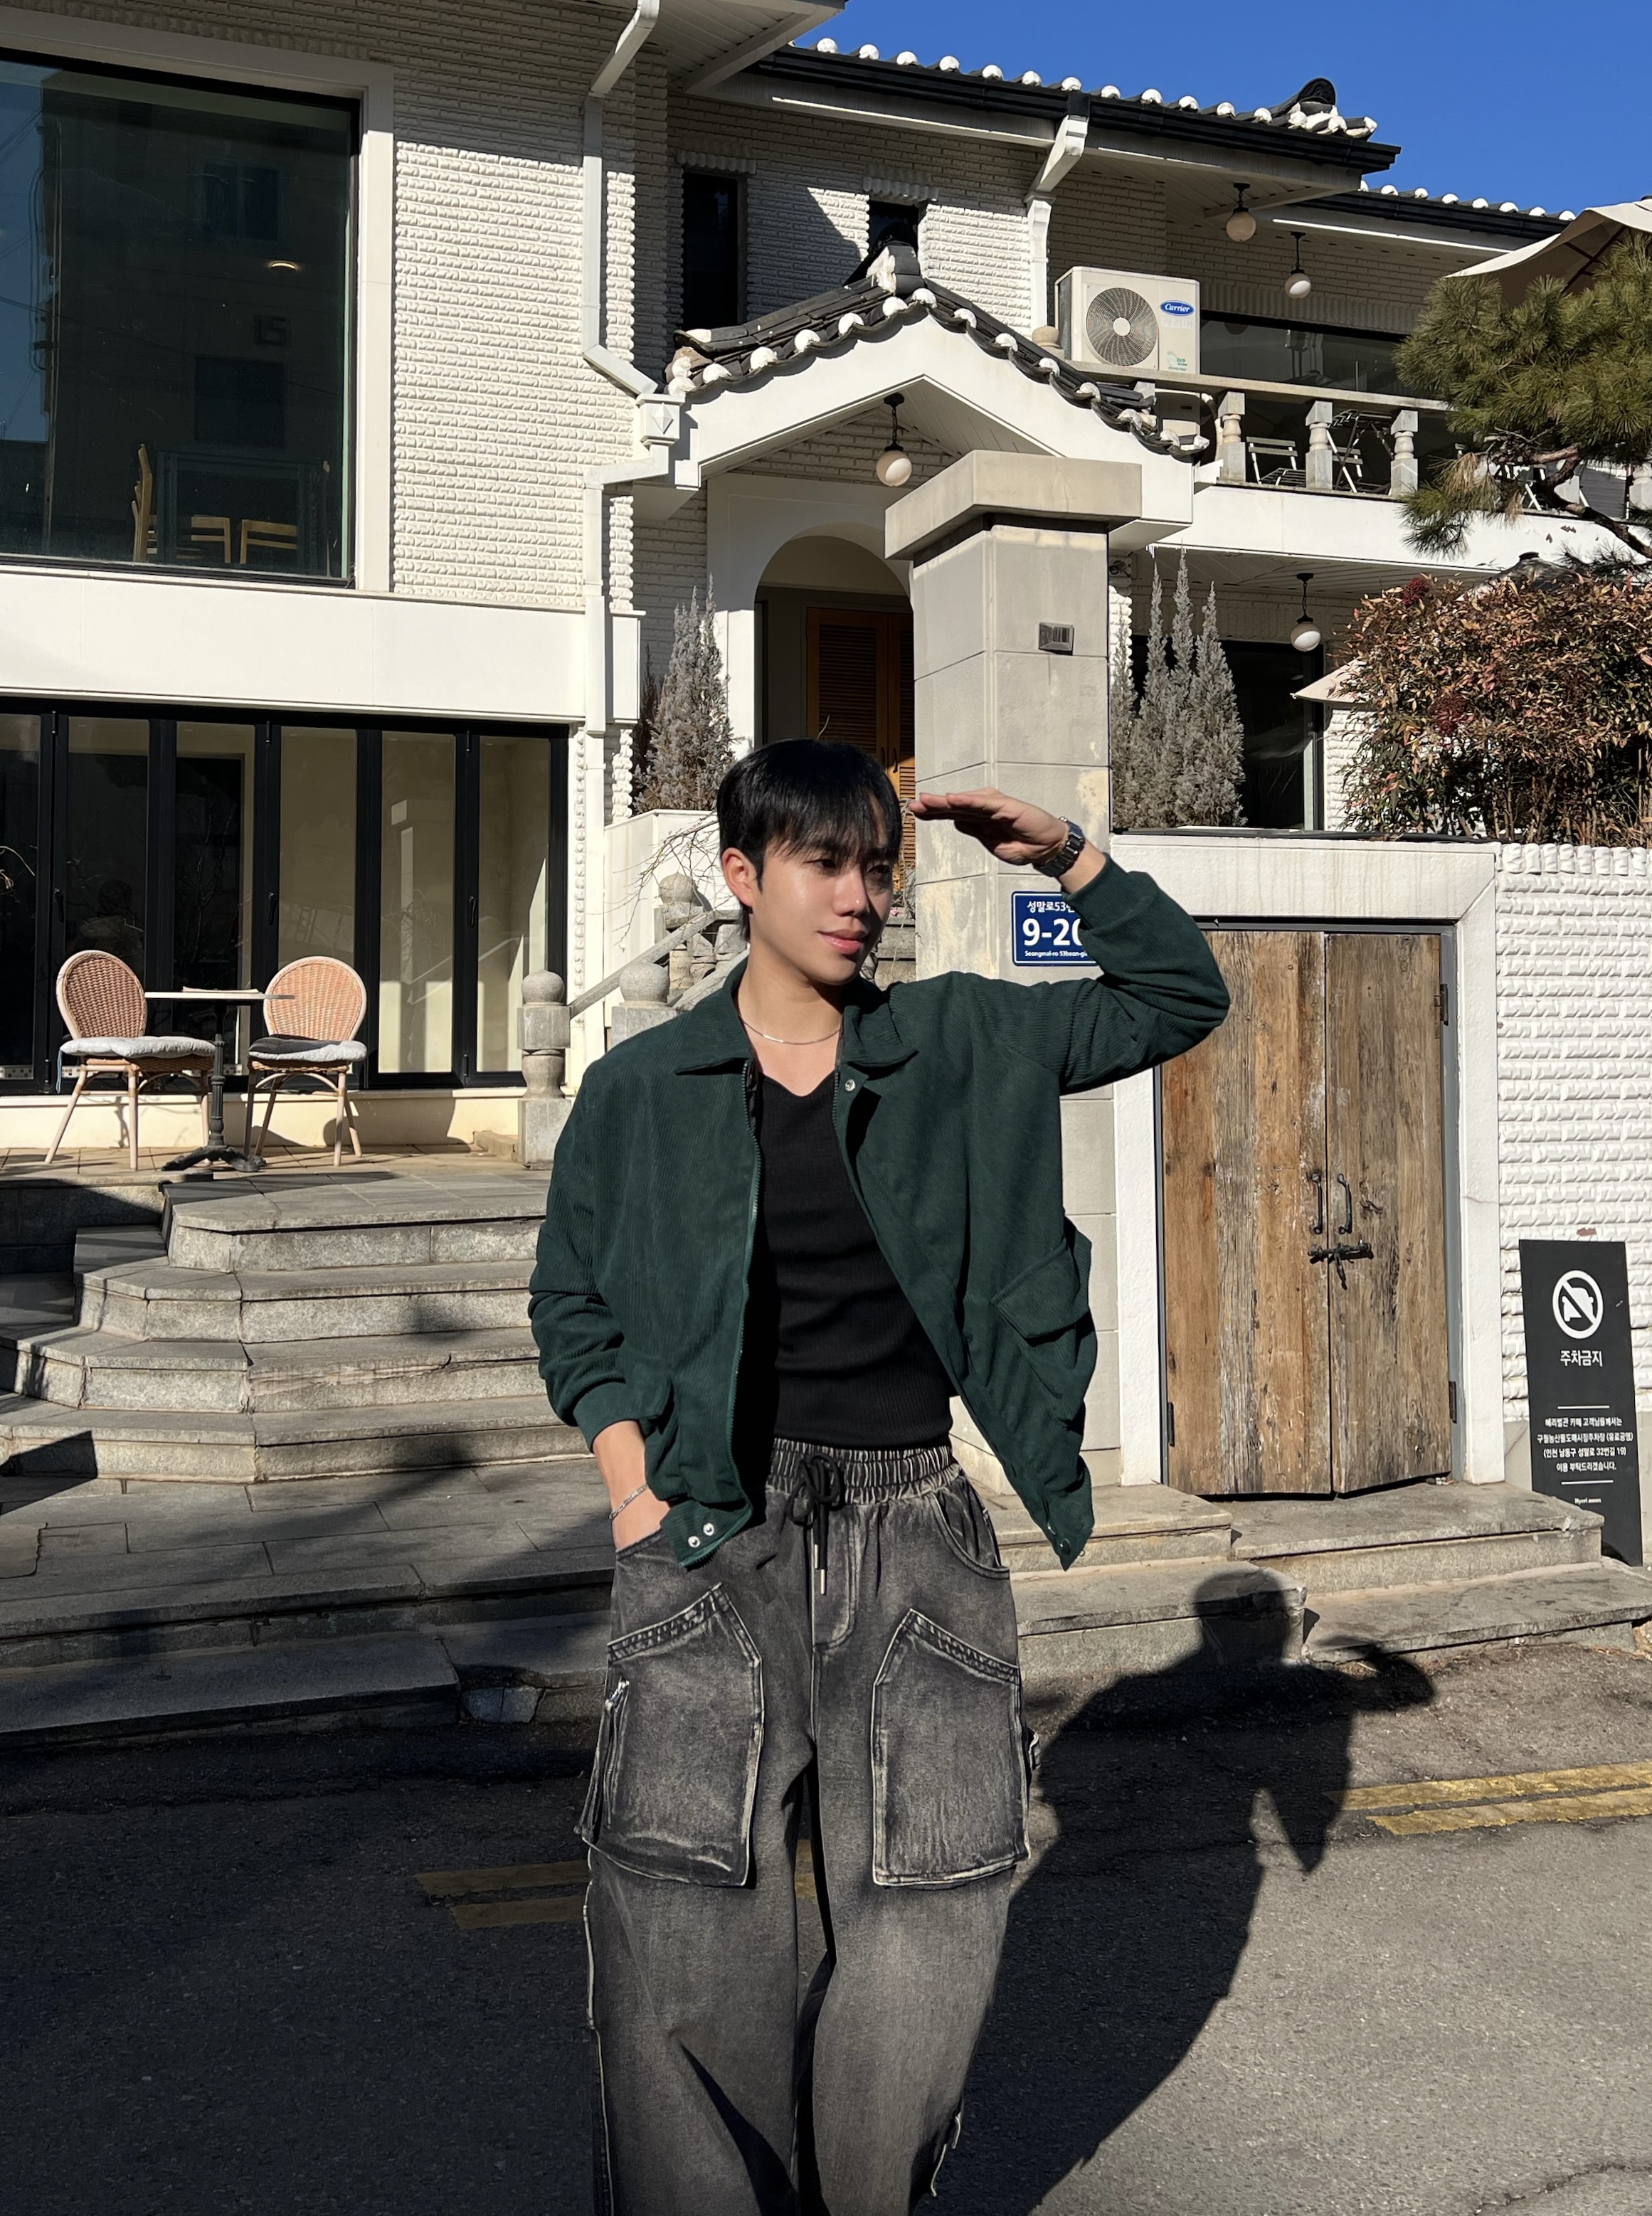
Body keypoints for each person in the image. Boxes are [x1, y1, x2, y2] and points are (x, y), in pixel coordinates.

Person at [529, 740, 1229, 2215]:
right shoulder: (643, 1085)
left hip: (918, 1524)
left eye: (877, 866)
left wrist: (1067, 852)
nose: (861, 896)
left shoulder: (964, 1039)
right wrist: (629, 1483)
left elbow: (1180, 998)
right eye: (824, 865)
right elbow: (570, 1298)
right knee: (682, 1918)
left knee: (928, 1915)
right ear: (743, 876)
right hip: (711, 1519)